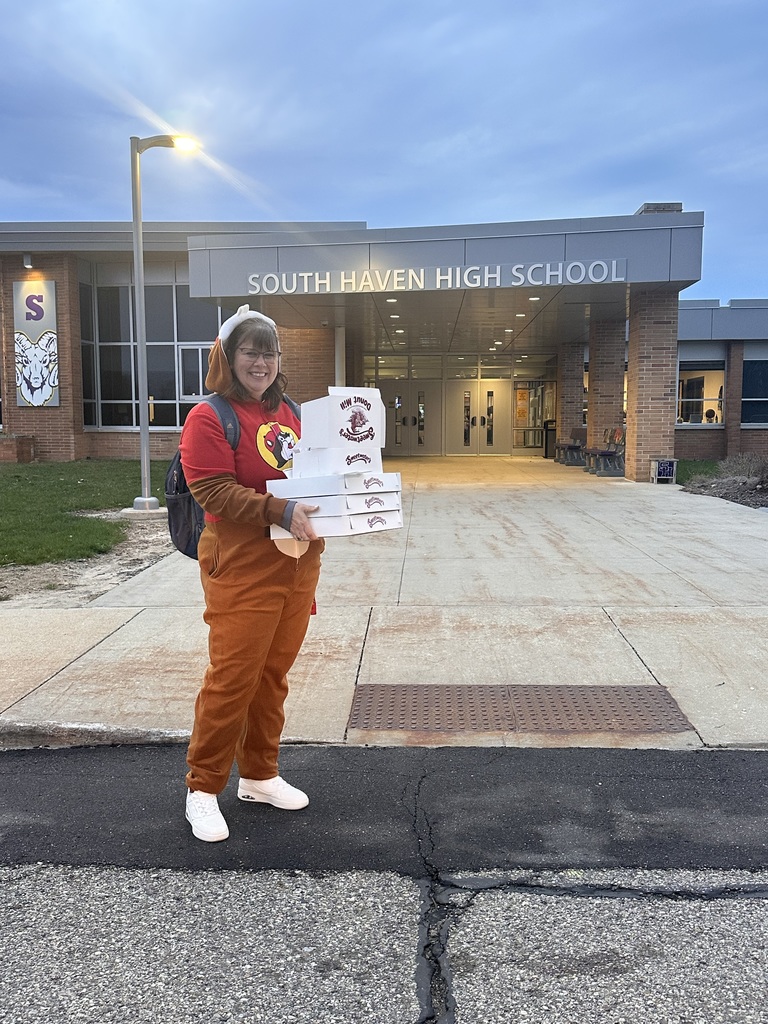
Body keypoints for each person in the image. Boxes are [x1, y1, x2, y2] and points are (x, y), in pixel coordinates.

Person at [179, 305, 323, 842]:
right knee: (232, 677)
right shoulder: (209, 417)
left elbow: (316, 475)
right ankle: (203, 788)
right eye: (250, 351)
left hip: (296, 562)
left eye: (268, 352)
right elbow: (211, 490)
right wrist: (278, 510)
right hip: (240, 562)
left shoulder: (291, 412)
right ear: (227, 357)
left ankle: (260, 774)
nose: (260, 362)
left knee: (272, 675)